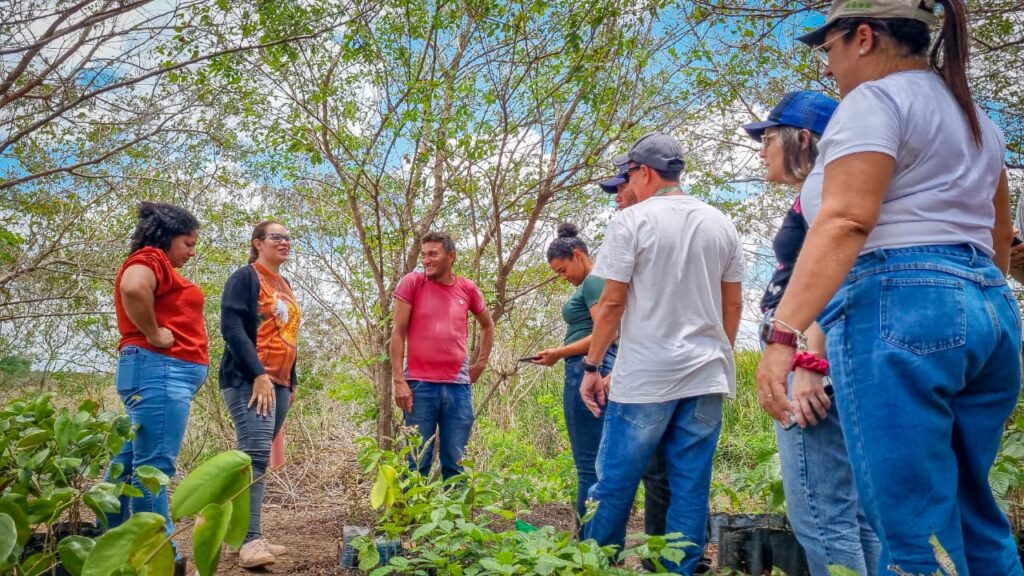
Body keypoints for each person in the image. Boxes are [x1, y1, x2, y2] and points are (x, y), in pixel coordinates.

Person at [756, 1, 1022, 574]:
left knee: (907, 530)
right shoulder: (976, 116)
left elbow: (847, 220)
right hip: (989, 308)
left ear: (864, 37)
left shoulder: (875, 100)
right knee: (971, 519)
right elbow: (999, 236)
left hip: (901, 304)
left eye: (829, 49)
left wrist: (784, 336)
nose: (828, 67)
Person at [581, 132, 745, 575]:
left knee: (615, 483)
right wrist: (716, 353)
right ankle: (680, 569)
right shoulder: (720, 222)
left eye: (628, 173)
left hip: (646, 377)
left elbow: (611, 304)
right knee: (690, 486)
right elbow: (733, 305)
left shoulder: (631, 222)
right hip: (706, 375)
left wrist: (593, 365)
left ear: (645, 172)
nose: (626, 182)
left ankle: (597, 565)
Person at [741, 90, 880, 575]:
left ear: (802, 139)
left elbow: (836, 270)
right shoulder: (836, 184)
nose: (761, 150)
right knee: (856, 514)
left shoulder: (827, 183)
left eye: (768, 139)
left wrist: (807, 360)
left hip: (812, 354)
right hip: (837, 350)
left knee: (822, 516)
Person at [108, 202, 208, 540]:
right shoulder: (151, 258)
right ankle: (159, 553)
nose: (192, 252)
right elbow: (133, 287)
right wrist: (153, 333)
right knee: (153, 468)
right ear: (166, 237)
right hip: (159, 370)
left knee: (126, 466)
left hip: (157, 372)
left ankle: (107, 540)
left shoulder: (160, 266)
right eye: (188, 243)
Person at [220, 221, 301, 569]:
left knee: (256, 459)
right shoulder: (245, 277)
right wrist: (258, 375)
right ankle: (250, 541)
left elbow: (288, 334)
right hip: (249, 380)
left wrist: (291, 382)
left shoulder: (283, 284)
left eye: (287, 238)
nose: (284, 242)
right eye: (276, 237)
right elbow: (232, 328)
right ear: (257, 243)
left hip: (279, 382)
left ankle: (237, 535)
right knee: (253, 455)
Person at [530, 223, 617, 534]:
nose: (562, 277)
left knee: (587, 465)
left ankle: (587, 542)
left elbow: (605, 333)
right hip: (591, 366)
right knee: (595, 461)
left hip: (588, 369)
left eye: (563, 270)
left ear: (578, 255)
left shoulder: (593, 281)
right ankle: (596, 538)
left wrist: (559, 352)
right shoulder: (594, 283)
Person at [391, 231, 495, 480]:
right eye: (424, 255)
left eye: (433, 254)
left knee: (455, 463)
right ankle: (414, 507)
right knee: (417, 461)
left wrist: (480, 364)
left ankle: (455, 505)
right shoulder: (413, 283)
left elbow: (487, 325)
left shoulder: (467, 288)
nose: (426, 260)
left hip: (458, 387)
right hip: (419, 385)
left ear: (451, 256)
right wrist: (399, 381)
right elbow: (398, 333)